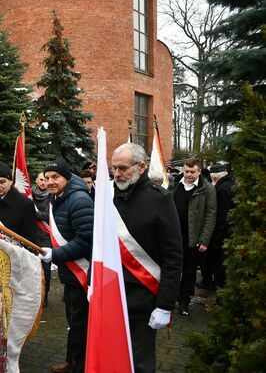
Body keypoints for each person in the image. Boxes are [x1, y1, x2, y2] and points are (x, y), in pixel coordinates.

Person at [111, 143, 183, 373]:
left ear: (141, 167)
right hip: (111, 290)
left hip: (143, 295)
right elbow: (100, 245)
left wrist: (165, 305)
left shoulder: (159, 199)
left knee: (140, 362)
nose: (117, 174)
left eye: (123, 168)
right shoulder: (107, 195)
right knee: (113, 356)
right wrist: (93, 281)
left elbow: (173, 256)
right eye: (114, 168)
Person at [39, 157, 94, 373]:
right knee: (74, 321)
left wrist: (56, 254)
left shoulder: (78, 200)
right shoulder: (58, 198)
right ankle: (73, 360)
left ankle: (80, 366)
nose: (51, 181)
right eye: (47, 178)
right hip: (69, 275)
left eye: (56, 177)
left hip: (83, 273)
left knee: (80, 323)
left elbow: (85, 240)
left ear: (67, 178)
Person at [172, 157, 216, 316]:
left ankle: (184, 301)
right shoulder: (176, 184)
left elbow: (211, 215)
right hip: (174, 236)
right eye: (186, 171)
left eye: (192, 172)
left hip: (193, 237)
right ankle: (170, 298)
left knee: (189, 271)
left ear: (199, 171)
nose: (188, 174)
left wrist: (204, 239)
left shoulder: (207, 189)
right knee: (173, 268)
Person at [205, 163, 235, 289]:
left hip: (222, 237)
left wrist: (216, 239)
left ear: (215, 178)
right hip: (230, 234)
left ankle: (221, 297)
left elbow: (222, 216)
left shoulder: (222, 190)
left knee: (220, 269)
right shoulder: (230, 184)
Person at [31, 172, 53, 307]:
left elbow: (48, 215)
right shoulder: (29, 195)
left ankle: (45, 296)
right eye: (41, 180)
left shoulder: (51, 196)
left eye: (46, 180)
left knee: (46, 268)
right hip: (31, 236)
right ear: (36, 181)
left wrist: (33, 214)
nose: (43, 182)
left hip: (45, 237)